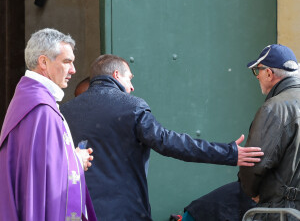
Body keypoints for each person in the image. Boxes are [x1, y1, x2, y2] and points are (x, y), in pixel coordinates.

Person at [61, 54, 263, 221]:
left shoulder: (65, 112)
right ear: (116, 75)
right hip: (125, 212)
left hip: (79, 211)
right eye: (129, 78)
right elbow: (171, 143)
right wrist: (228, 153)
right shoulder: (131, 107)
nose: (132, 87)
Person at [182, 44, 300, 221]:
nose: (257, 76)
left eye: (257, 71)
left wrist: (250, 191)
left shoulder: (274, 108)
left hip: (279, 212)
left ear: (269, 73)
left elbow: (255, 161)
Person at [0, 28, 97, 221]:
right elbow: (44, 175)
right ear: (43, 62)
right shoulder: (41, 108)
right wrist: (76, 160)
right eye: (67, 62)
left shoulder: (29, 97)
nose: (73, 70)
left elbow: (37, 167)